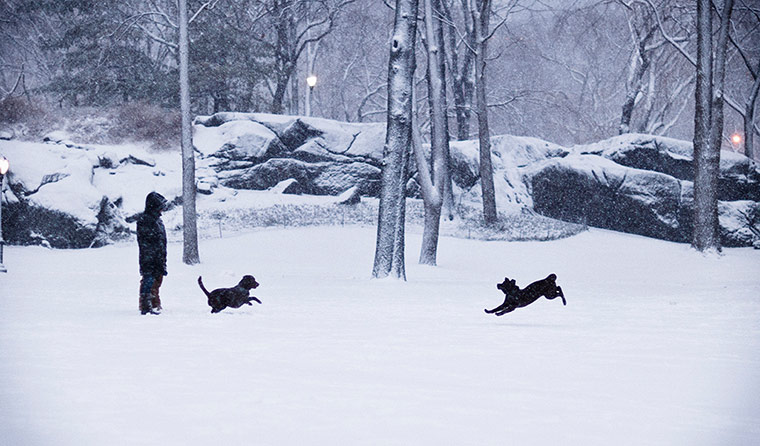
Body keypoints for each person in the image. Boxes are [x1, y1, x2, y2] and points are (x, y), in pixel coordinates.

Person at [137, 192, 168, 315]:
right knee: (149, 280)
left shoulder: (157, 220)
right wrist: (153, 255)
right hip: (149, 257)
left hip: (158, 256)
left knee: (157, 280)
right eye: (160, 206)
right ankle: (146, 305)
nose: (162, 209)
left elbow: (160, 240)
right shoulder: (145, 220)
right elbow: (148, 240)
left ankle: (155, 304)